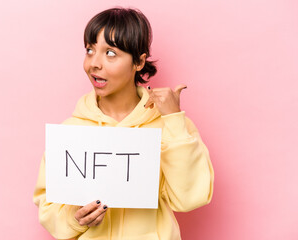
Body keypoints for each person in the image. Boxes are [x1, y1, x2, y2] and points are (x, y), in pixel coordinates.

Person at [33, 7, 214, 240]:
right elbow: (48, 207)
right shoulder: (71, 131)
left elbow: (191, 198)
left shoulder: (170, 125)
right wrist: (74, 218)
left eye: (110, 53)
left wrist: (173, 121)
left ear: (138, 62)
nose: (94, 63)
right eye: (90, 50)